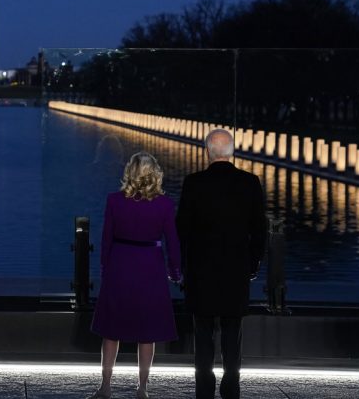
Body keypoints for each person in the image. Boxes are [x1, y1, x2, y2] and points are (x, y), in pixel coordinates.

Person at [176, 129, 267, 399]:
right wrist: (252, 264)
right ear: (231, 152)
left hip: (201, 272)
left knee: (202, 336)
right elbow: (259, 230)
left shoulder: (193, 183)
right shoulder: (250, 183)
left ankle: (204, 389)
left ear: (207, 152)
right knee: (232, 333)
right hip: (235, 271)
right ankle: (231, 388)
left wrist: (183, 267)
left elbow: (182, 229)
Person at [89, 152, 181, 399]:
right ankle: (142, 388)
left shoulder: (114, 201)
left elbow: (106, 239)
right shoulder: (165, 204)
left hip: (120, 264)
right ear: (155, 173)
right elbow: (173, 242)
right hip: (150, 268)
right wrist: (175, 271)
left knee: (111, 330)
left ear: (130, 171)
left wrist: (105, 269)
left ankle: (106, 386)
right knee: (147, 331)